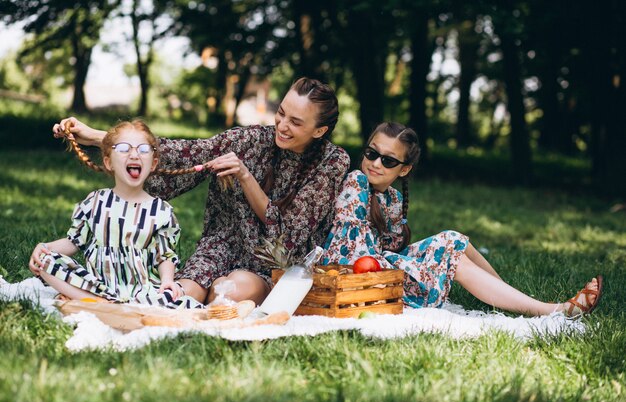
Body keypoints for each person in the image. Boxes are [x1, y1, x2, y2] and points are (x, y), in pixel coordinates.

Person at [53, 77, 350, 306]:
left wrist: (246, 177)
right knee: (179, 295)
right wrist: (97, 138)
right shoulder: (251, 140)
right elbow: (187, 153)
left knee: (228, 294)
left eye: (295, 122)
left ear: (319, 131)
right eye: (281, 113)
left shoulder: (333, 162)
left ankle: (221, 290)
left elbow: (289, 233)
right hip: (222, 244)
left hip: (276, 262)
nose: (282, 126)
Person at [322, 121, 603, 316]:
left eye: (388, 160)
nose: (375, 163)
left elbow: (394, 248)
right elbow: (354, 252)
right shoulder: (357, 181)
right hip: (357, 275)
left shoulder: (392, 198)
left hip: (376, 267)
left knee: (453, 238)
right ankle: (549, 311)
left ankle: (508, 296)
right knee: (450, 256)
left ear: (404, 170)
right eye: (372, 153)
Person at [29, 120, 202, 308]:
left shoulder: (161, 211)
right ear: (108, 162)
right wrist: (45, 247)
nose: (134, 154)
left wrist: (167, 281)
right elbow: (74, 242)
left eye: (143, 149)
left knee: (173, 298)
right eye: (124, 148)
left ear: (153, 164)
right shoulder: (95, 202)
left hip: (142, 291)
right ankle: (101, 302)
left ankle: (100, 304)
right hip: (99, 287)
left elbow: (164, 255)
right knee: (45, 261)